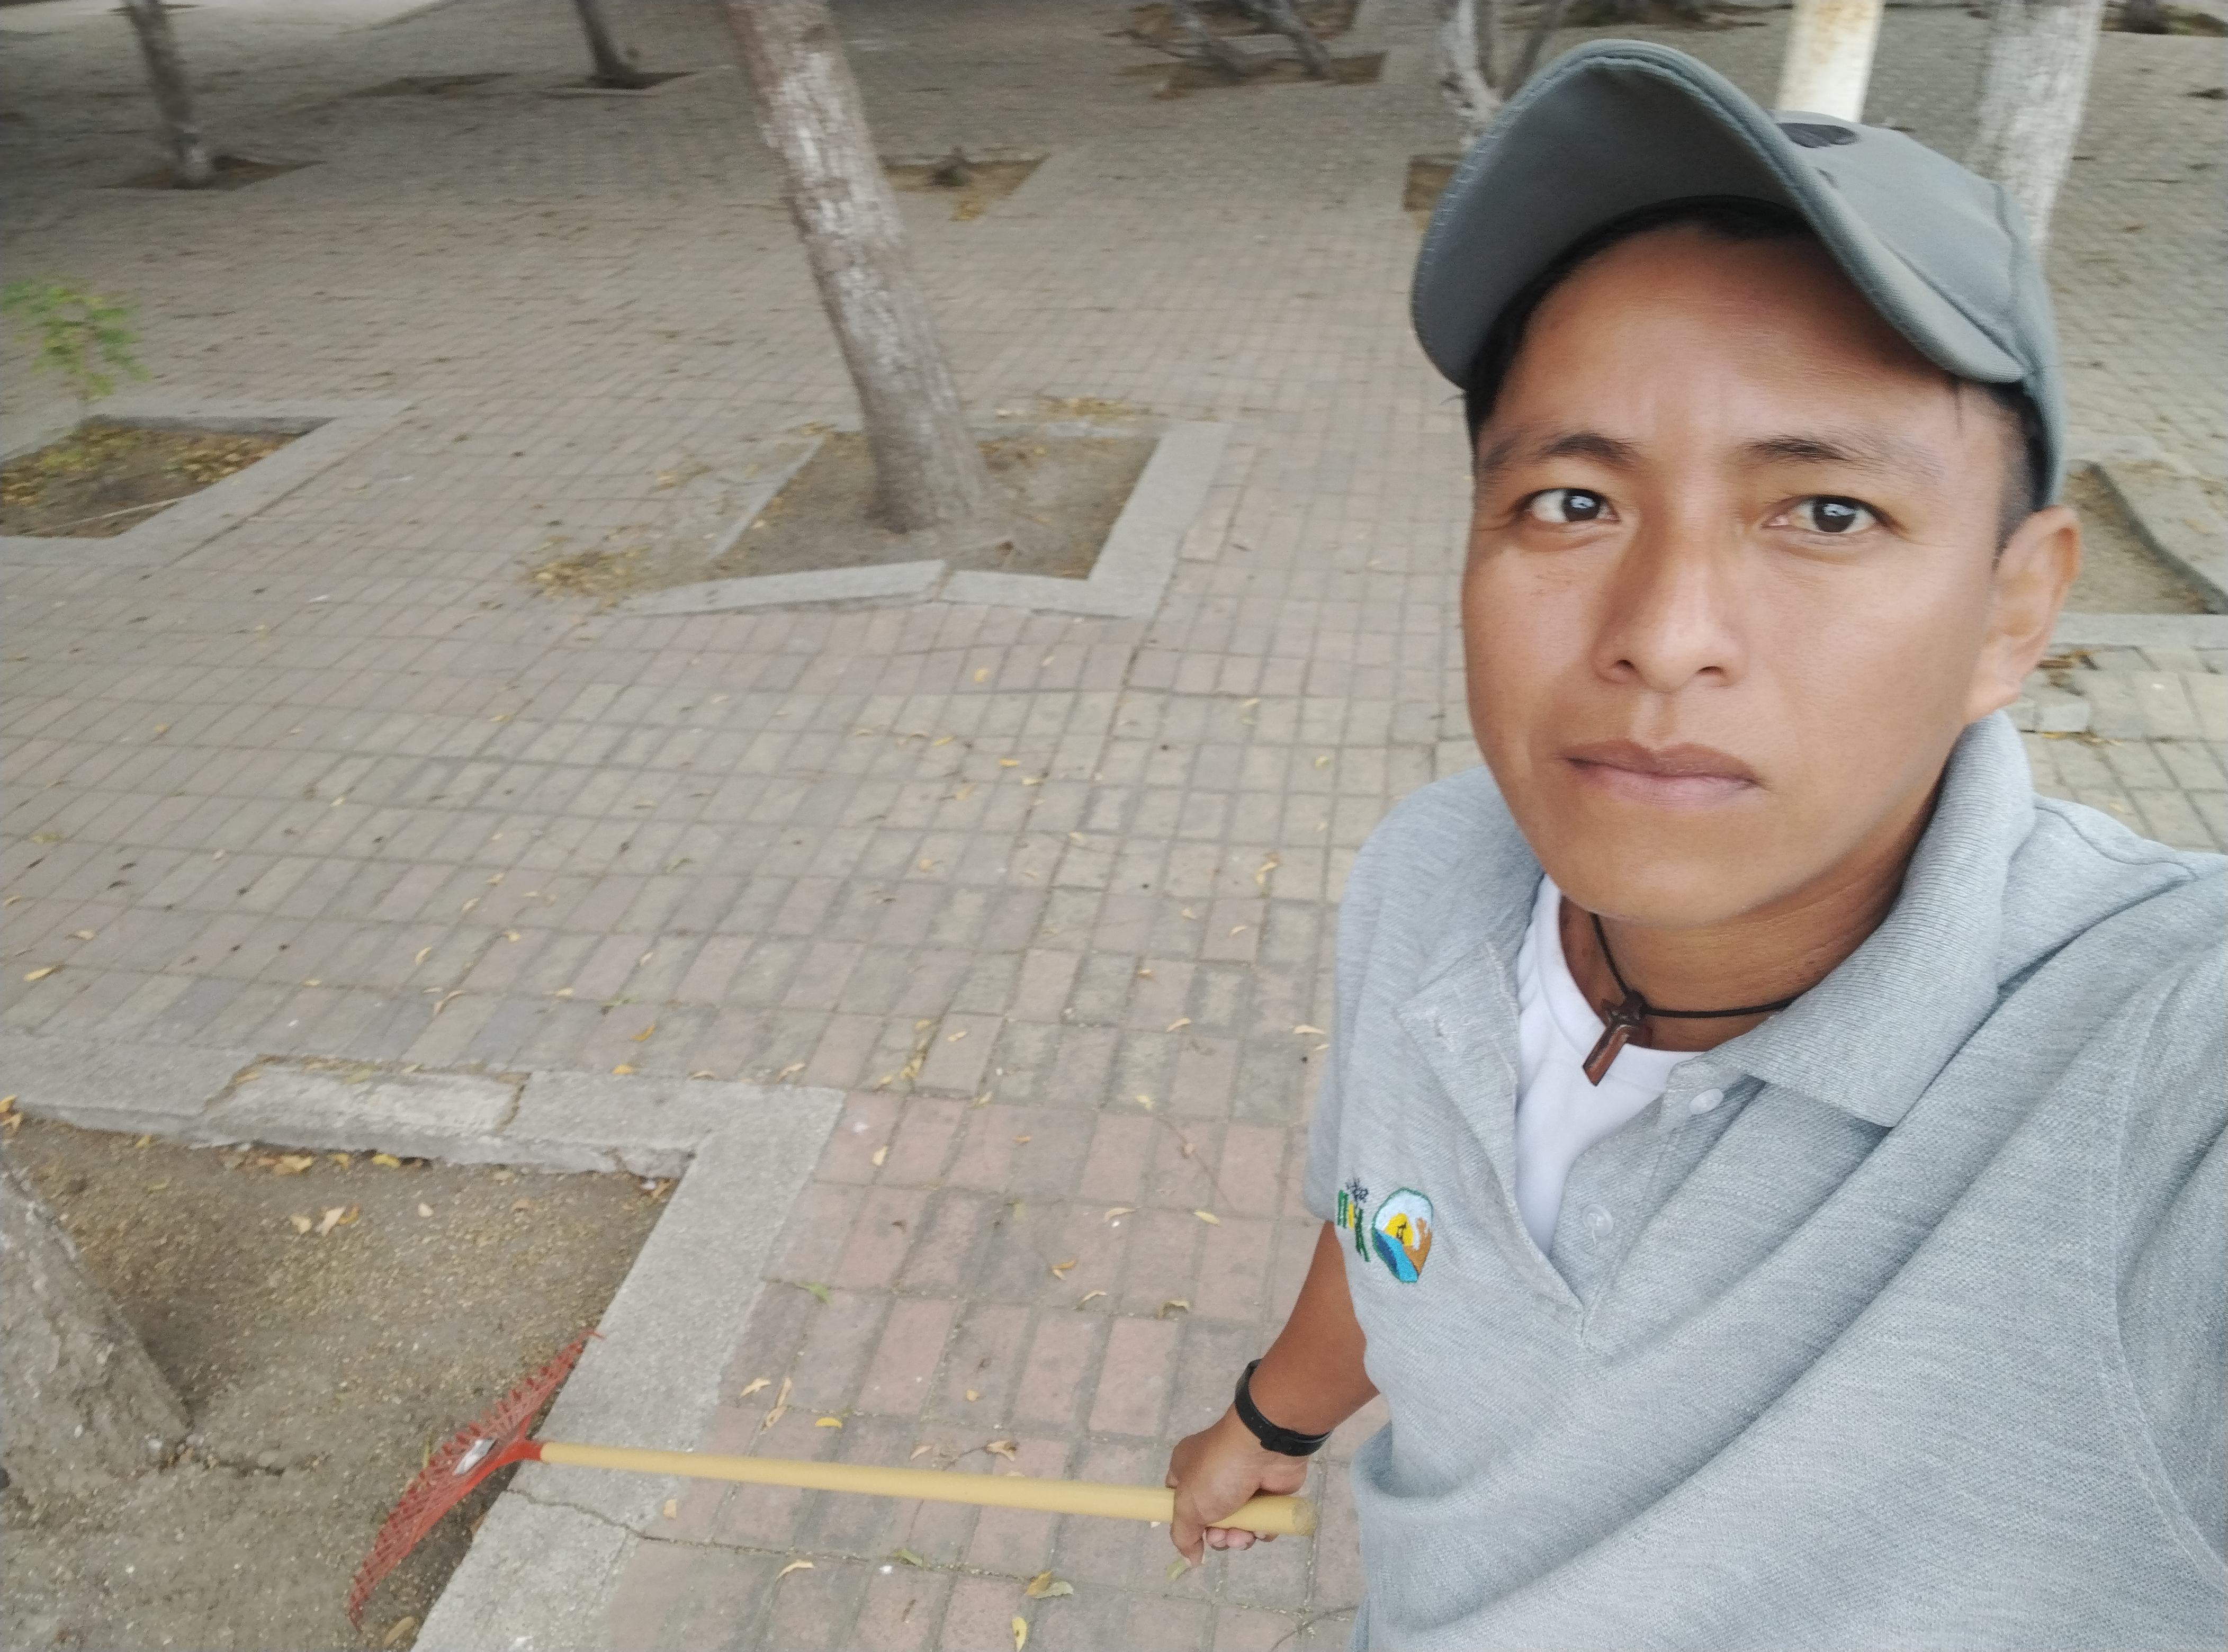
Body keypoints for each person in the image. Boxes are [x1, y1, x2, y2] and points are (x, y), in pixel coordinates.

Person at [1164, 40, 2226, 1650]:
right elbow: (1398, 1224)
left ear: (2016, 610)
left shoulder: (2155, 1077)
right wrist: (1270, 1420)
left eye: (1827, 514)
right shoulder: (1433, 874)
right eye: (1574, 503)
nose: (1663, 636)